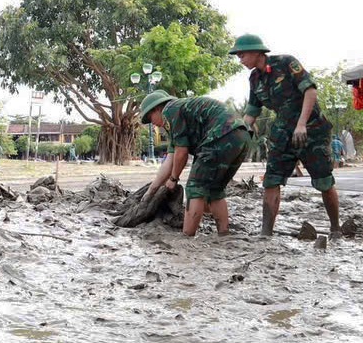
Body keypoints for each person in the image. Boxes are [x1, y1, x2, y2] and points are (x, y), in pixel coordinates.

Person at [231, 34, 340, 238]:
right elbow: (252, 112)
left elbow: (310, 91)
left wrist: (301, 124)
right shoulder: (254, 79)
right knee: (271, 180)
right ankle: (266, 233)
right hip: (282, 134)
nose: (240, 59)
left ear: (256, 52)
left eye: (242, 54)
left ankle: (336, 229)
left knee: (324, 181)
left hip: (312, 130)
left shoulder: (286, 62)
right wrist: (241, 135)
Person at [140, 91, 250, 236]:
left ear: (158, 108)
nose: (152, 123)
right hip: (242, 136)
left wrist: (173, 179)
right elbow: (170, 160)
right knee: (214, 191)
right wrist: (151, 190)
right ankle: (224, 235)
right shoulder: (179, 117)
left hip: (220, 134)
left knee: (194, 188)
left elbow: (182, 152)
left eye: (150, 117)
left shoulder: (170, 110)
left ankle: (187, 237)